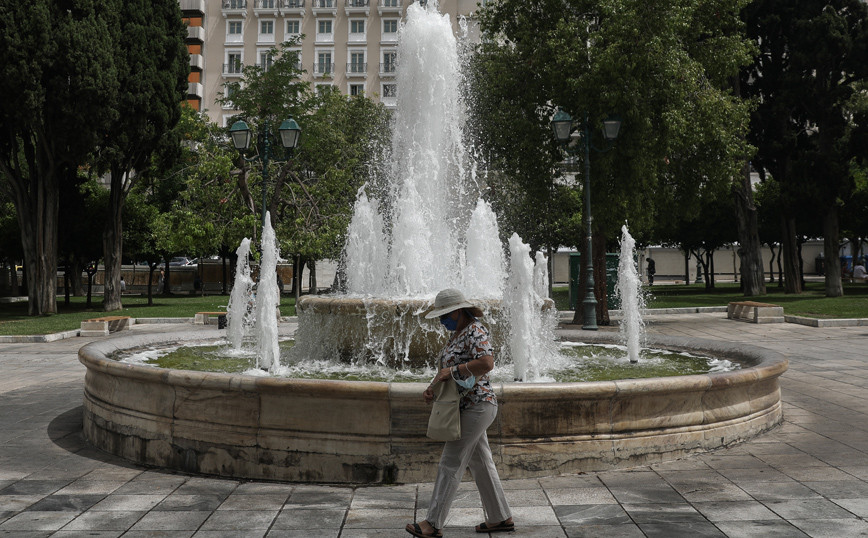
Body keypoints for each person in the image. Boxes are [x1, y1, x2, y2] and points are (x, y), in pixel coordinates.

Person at [405, 288, 514, 538]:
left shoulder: (475, 331)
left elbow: (486, 363)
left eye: (445, 316)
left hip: (478, 404)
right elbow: (447, 371)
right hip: (467, 406)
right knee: (481, 463)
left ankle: (433, 524)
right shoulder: (458, 334)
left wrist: (454, 370)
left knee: (450, 462)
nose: (442, 321)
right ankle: (500, 517)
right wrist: (432, 387)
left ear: (458, 311)